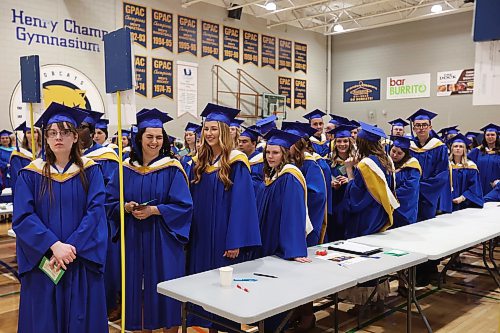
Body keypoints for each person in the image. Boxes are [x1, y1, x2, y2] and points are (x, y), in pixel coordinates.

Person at [13, 102, 108, 332]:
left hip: (79, 259)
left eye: (65, 132)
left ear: (75, 137)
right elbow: (23, 217)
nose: (59, 137)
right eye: (53, 133)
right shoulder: (30, 174)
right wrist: (54, 246)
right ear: (46, 138)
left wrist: (70, 247)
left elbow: (95, 212)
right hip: (44, 263)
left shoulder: (91, 171)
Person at [106, 108, 192, 332]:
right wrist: (124, 207)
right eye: (149, 136)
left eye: (159, 137)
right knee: (137, 292)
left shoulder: (172, 168)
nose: (154, 142)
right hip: (134, 238)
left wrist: (155, 210)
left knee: (166, 290)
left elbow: (184, 206)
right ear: (139, 138)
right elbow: (109, 202)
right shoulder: (125, 168)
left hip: (163, 239)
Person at [188, 103, 261, 329]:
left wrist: (235, 241)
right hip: (201, 236)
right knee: (203, 288)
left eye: (214, 129)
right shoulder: (199, 162)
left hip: (224, 236)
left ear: (224, 130)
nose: (209, 134)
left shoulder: (236, 161)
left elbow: (243, 205)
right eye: (206, 129)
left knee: (224, 294)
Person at [254, 129, 311, 332]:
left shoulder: (290, 176)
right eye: (268, 152)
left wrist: (294, 249)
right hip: (267, 242)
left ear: (285, 153)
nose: (270, 156)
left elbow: (293, 213)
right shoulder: (273, 175)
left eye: (275, 152)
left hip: (279, 246)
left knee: (277, 292)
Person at [340, 122, 398, 310]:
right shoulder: (385, 159)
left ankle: (363, 301)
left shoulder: (365, 165)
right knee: (377, 256)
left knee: (362, 256)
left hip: (366, 216)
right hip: (380, 213)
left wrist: (349, 171)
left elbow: (357, 195)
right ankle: (379, 297)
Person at [283, 122, 327, 247]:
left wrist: (292, 198)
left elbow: (317, 194)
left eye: (289, 143)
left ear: (298, 144)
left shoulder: (309, 163)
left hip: (303, 216)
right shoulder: (284, 162)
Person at [407, 109, 450, 221]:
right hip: (410, 193)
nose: (421, 128)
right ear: (414, 128)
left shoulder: (439, 147)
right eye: (418, 125)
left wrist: (421, 187)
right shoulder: (408, 147)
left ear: (430, 127)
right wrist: (410, 187)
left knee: (426, 224)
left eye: (425, 125)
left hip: (429, 195)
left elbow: (442, 173)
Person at [326, 125, 357, 242]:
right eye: (339, 141)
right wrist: (331, 183)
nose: (342, 144)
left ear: (350, 142)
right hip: (334, 201)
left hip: (350, 201)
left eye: (345, 141)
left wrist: (349, 180)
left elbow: (362, 182)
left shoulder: (356, 160)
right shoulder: (327, 160)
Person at [389, 135, 421, 227]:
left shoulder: (412, 167)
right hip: (387, 209)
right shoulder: (386, 163)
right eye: (393, 151)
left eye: (399, 153)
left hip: (404, 210)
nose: (395, 155)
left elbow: (410, 188)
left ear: (405, 154)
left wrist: (389, 196)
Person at [449, 134, 484, 211]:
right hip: (447, 203)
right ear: (452, 149)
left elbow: (474, 186)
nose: (458, 148)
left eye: (461, 146)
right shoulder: (446, 166)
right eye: (455, 146)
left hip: (465, 204)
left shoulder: (470, 167)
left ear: (464, 150)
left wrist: (462, 198)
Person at [9, 123, 43, 195]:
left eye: (34, 132)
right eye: (29, 132)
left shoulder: (46, 153)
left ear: (38, 134)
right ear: (25, 135)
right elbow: (17, 179)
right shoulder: (18, 155)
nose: (32, 135)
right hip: (27, 192)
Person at [467, 124, 500, 196]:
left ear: (497, 136)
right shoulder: (477, 151)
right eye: (488, 135)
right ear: (484, 136)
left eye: (492, 135)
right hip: (479, 186)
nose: (490, 137)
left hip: (495, 188)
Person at [238, 126, 264, 195]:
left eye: (244, 142)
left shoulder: (260, 161)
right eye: (239, 141)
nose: (240, 144)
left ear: (254, 144)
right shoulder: (240, 160)